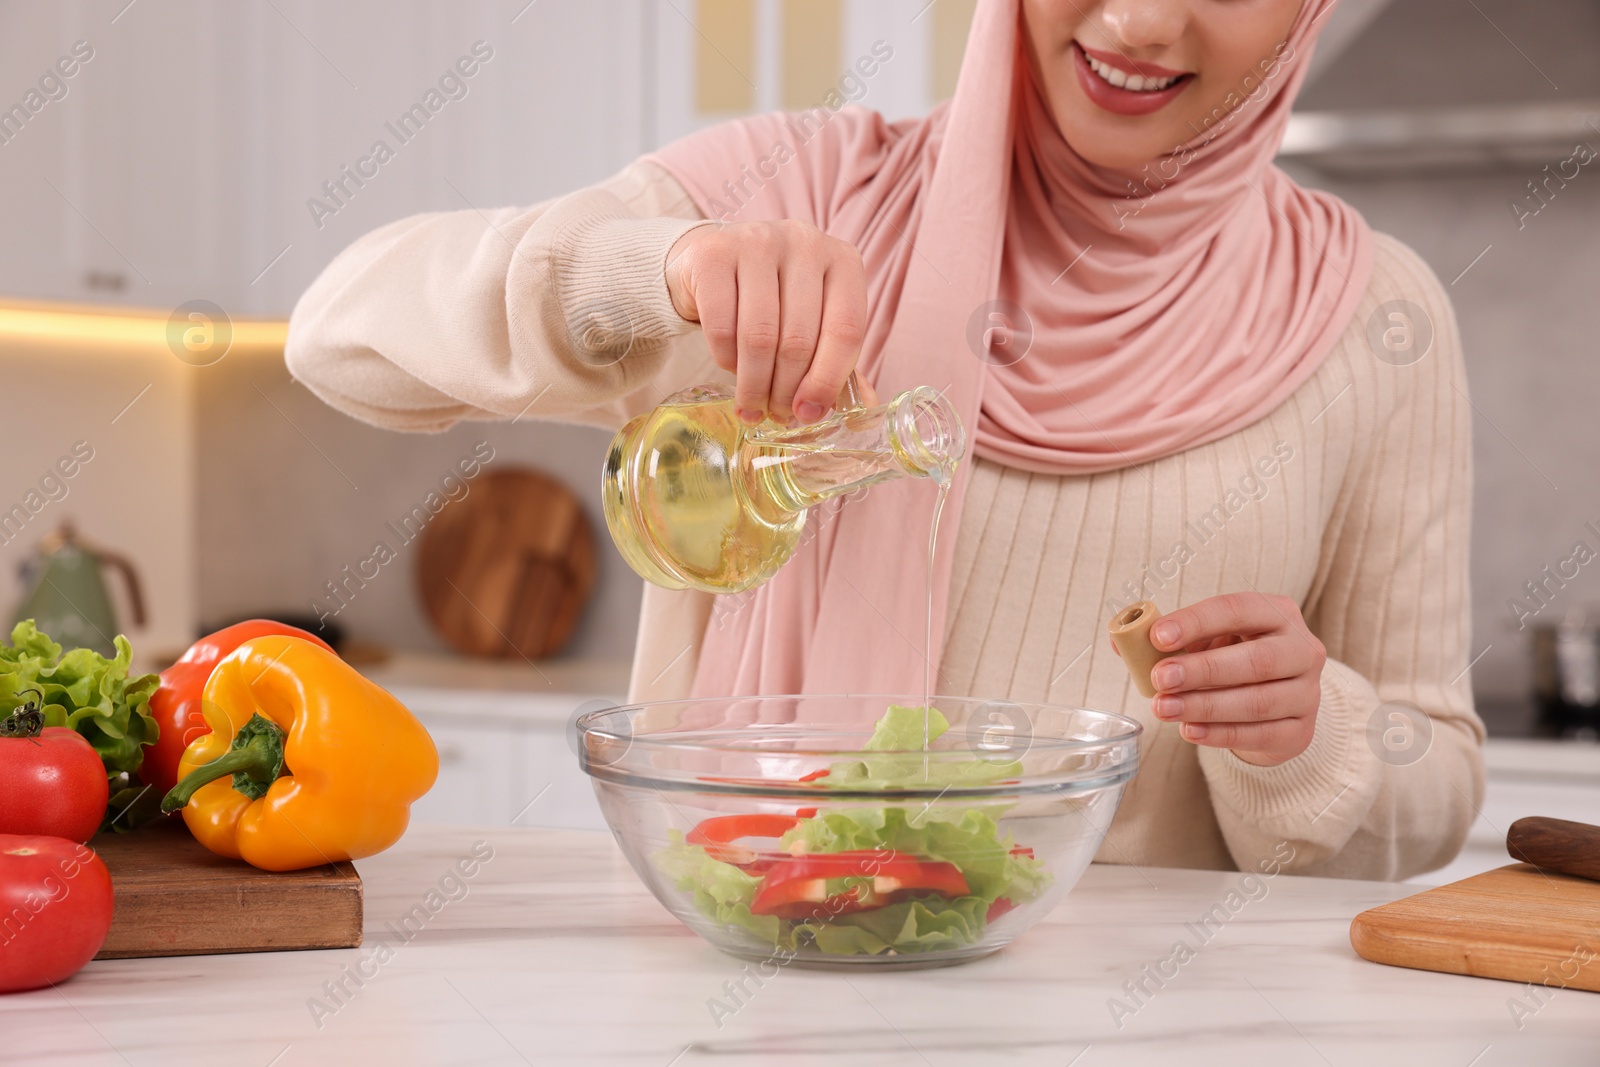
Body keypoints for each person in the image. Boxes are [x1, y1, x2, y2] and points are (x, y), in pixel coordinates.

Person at [286, 0, 1483, 880]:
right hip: (750, 993)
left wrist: (1309, 727)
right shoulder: (801, 193)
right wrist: (655, 271)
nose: (1140, 19)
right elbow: (341, 332)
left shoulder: (1374, 316)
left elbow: (1434, 784)